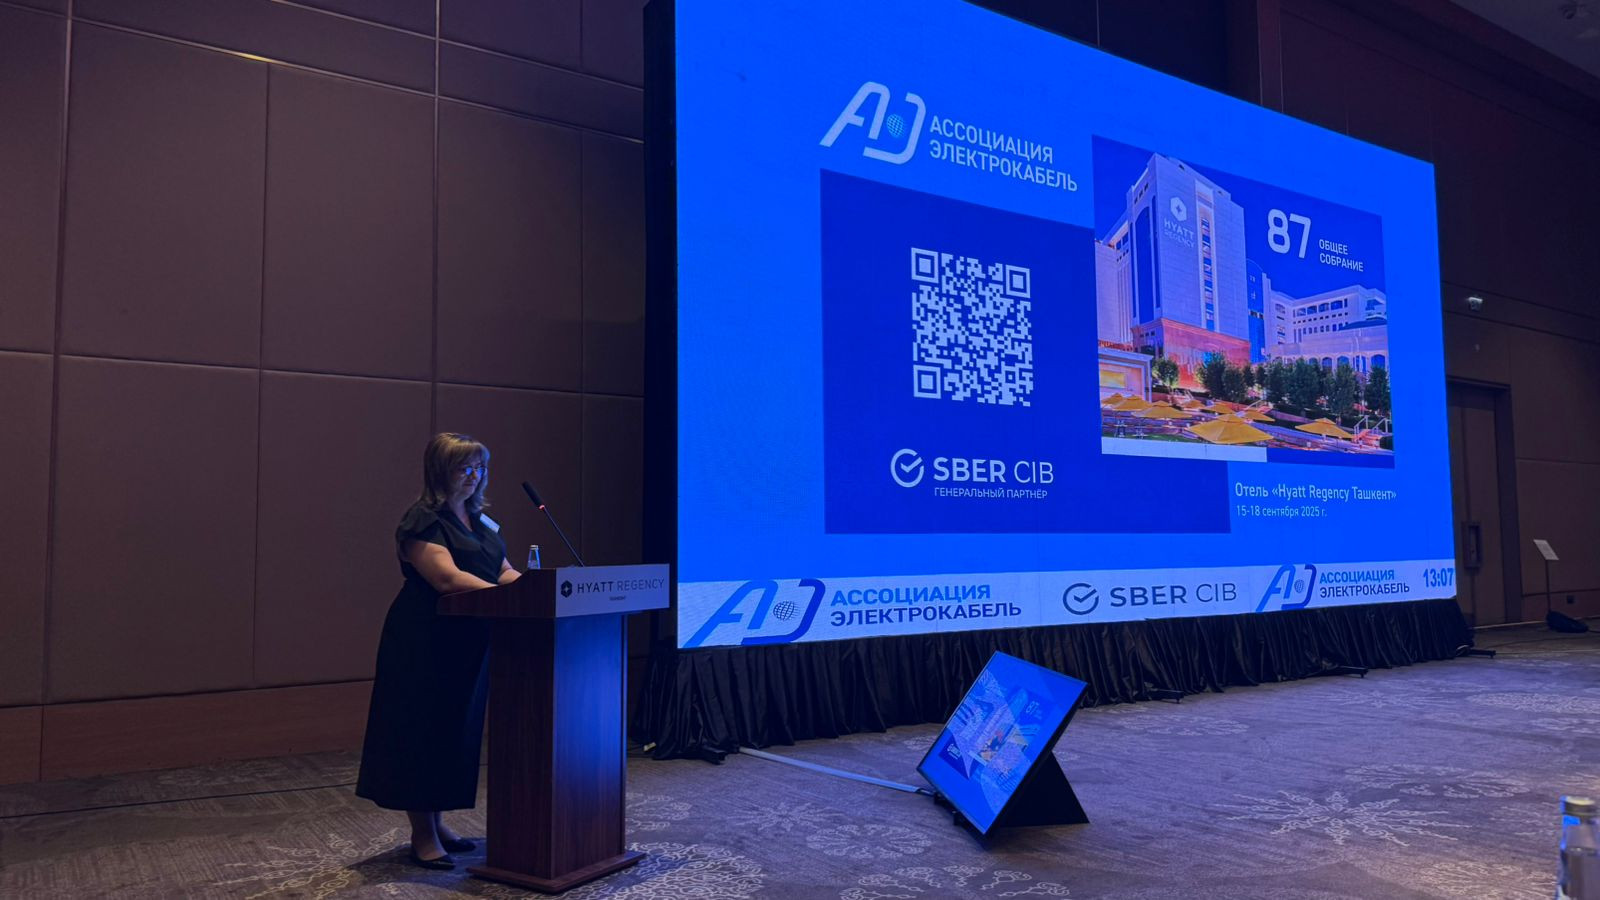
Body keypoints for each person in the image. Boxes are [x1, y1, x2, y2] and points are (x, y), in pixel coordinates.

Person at [356, 433, 520, 869]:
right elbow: (446, 578)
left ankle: (440, 822)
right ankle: (423, 834)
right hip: (424, 638)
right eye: (465, 467)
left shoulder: (480, 520)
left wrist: (535, 592)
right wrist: (506, 599)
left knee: (454, 730)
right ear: (440, 471)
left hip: (469, 639)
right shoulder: (422, 520)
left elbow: (502, 570)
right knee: (421, 730)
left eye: (480, 467)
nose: (474, 475)